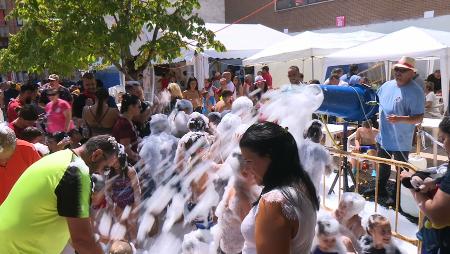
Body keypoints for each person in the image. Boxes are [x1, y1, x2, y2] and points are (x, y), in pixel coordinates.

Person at [0, 135, 119, 254]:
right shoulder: (76, 172)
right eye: (106, 168)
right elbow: (82, 240)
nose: (102, 173)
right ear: (96, 155)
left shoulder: (61, 157)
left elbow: (75, 235)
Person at [239, 122, 319, 254]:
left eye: (248, 161)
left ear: (270, 157)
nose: (245, 170)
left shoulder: (274, 203)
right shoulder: (301, 186)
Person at [365, 56, 425, 206]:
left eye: (403, 70)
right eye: (396, 69)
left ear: (412, 73)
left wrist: (400, 119)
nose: (398, 72)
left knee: (400, 171)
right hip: (384, 137)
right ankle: (380, 189)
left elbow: (419, 118)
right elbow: (376, 100)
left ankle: (397, 197)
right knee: (383, 166)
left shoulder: (416, 91)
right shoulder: (386, 85)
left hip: (401, 140)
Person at [402, 116, 450, 253]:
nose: (442, 145)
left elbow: (437, 215)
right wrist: (434, 182)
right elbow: (440, 172)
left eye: (443, 139)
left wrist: (411, 186)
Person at [216, 150, 260, 254]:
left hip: (224, 243)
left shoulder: (235, 183)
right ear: (244, 173)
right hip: (236, 250)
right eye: (256, 170)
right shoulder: (243, 199)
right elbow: (254, 232)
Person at [0, 125, 41, 204]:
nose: (3, 162)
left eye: (8, 158)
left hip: (24, 204)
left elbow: (41, 176)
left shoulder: (27, 149)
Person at [298, 120, 333, 193]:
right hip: (311, 192)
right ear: (319, 134)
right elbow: (328, 171)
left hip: (297, 188)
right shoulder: (321, 150)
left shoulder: (299, 145)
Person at [112, 93, 141, 164]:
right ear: (131, 107)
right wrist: (140, 160)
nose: (141, 108)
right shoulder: (124, 124)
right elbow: (125, 149)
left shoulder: (127, 120)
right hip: (128, 163)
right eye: (139, 106)